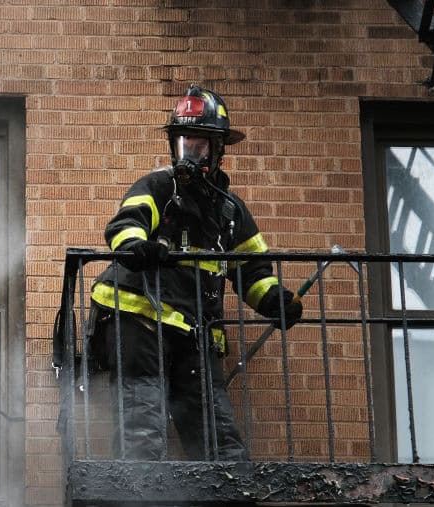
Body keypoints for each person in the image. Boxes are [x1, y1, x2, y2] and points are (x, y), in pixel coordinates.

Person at [89, 84, 303, 461]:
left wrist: (272, 298)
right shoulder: (159, 186)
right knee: (143, 418)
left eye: (200, 143)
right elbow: (126, 223)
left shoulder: (229, 211)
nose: (190, 151)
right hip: (138, 319)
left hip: (193, 330)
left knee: (217, 435)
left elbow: (252, 267)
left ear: (218, 149)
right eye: (184, 141)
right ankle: (137, 495)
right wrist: (137, 247)